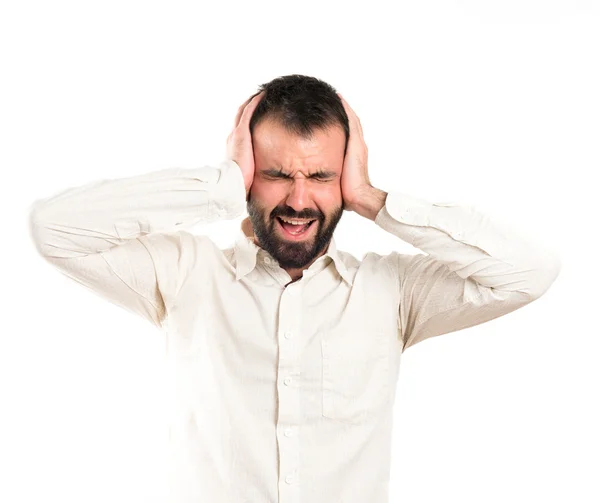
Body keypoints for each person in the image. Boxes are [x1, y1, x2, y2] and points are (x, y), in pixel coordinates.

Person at [28, 74, 561, 503]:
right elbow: (55, 229)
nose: (299, 201)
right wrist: (220, 185)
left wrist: (374, 199)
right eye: (278, 174)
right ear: (248, 172)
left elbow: (530, 270)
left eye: (322, 177)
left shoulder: (392, 291)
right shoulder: (185, 275)